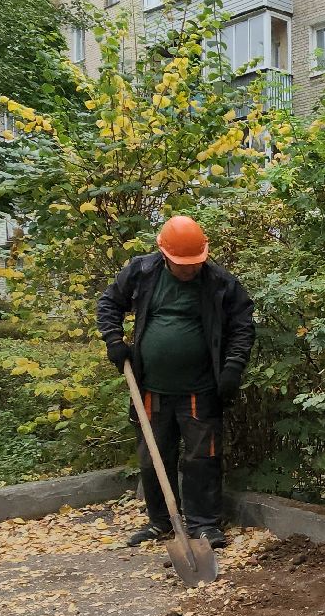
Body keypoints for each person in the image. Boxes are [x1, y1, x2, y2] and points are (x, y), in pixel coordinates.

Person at [96, 215, 255, 549]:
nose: (190, 269)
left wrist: (233, 368)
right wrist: (114, 340)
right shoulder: (143, 272)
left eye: (195, 262)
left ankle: (204, 524)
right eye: (183, 264)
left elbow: (243, 326)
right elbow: (109, 303)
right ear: (164, 254)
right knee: (153, 457)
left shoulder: (219, 282)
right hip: (151, 388)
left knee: (202, 456)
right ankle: (161, 522)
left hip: (200, 388)